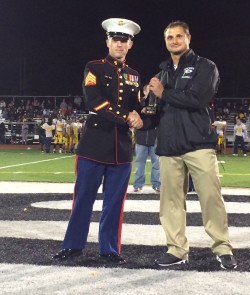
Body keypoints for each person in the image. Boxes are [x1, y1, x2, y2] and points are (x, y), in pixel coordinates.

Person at [53, 18, 143, 264]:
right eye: (115, 39)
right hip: (94, 145)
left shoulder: (134, 76)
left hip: (122, 149)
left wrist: (142, 115)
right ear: (108, 41)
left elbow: (138, 108)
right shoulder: (94, 67)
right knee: (83, 200)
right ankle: (73, 246)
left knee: (114, 205)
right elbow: (96, 103)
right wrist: (128, 117)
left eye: (124, 41)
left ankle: (110, 249)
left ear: (130, 44)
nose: (119, 44)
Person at [148, 21, 236, 269]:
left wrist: (163, 93)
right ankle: (176, 249)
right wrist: (141, 112)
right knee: (171, 202)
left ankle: (222, 247)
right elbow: (157, 112)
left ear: (188, 38)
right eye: (169, 37)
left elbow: (199, 98)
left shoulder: (205, 66)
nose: (174, 41)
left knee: (210, 197)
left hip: (198, 143)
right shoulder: (162, 72)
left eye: (178, 36)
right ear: (165, 41)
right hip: (168, 146)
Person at [133, 84, 160, 193]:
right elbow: (135, 117)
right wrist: (142, 111)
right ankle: (138, 185)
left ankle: (157, 185)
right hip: (141, 137)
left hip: (154, 138)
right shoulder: (139, 104)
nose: (152, 92)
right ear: (144, 92)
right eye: (149, 90)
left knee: (157, 163)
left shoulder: (158, 103)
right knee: (140, 162)